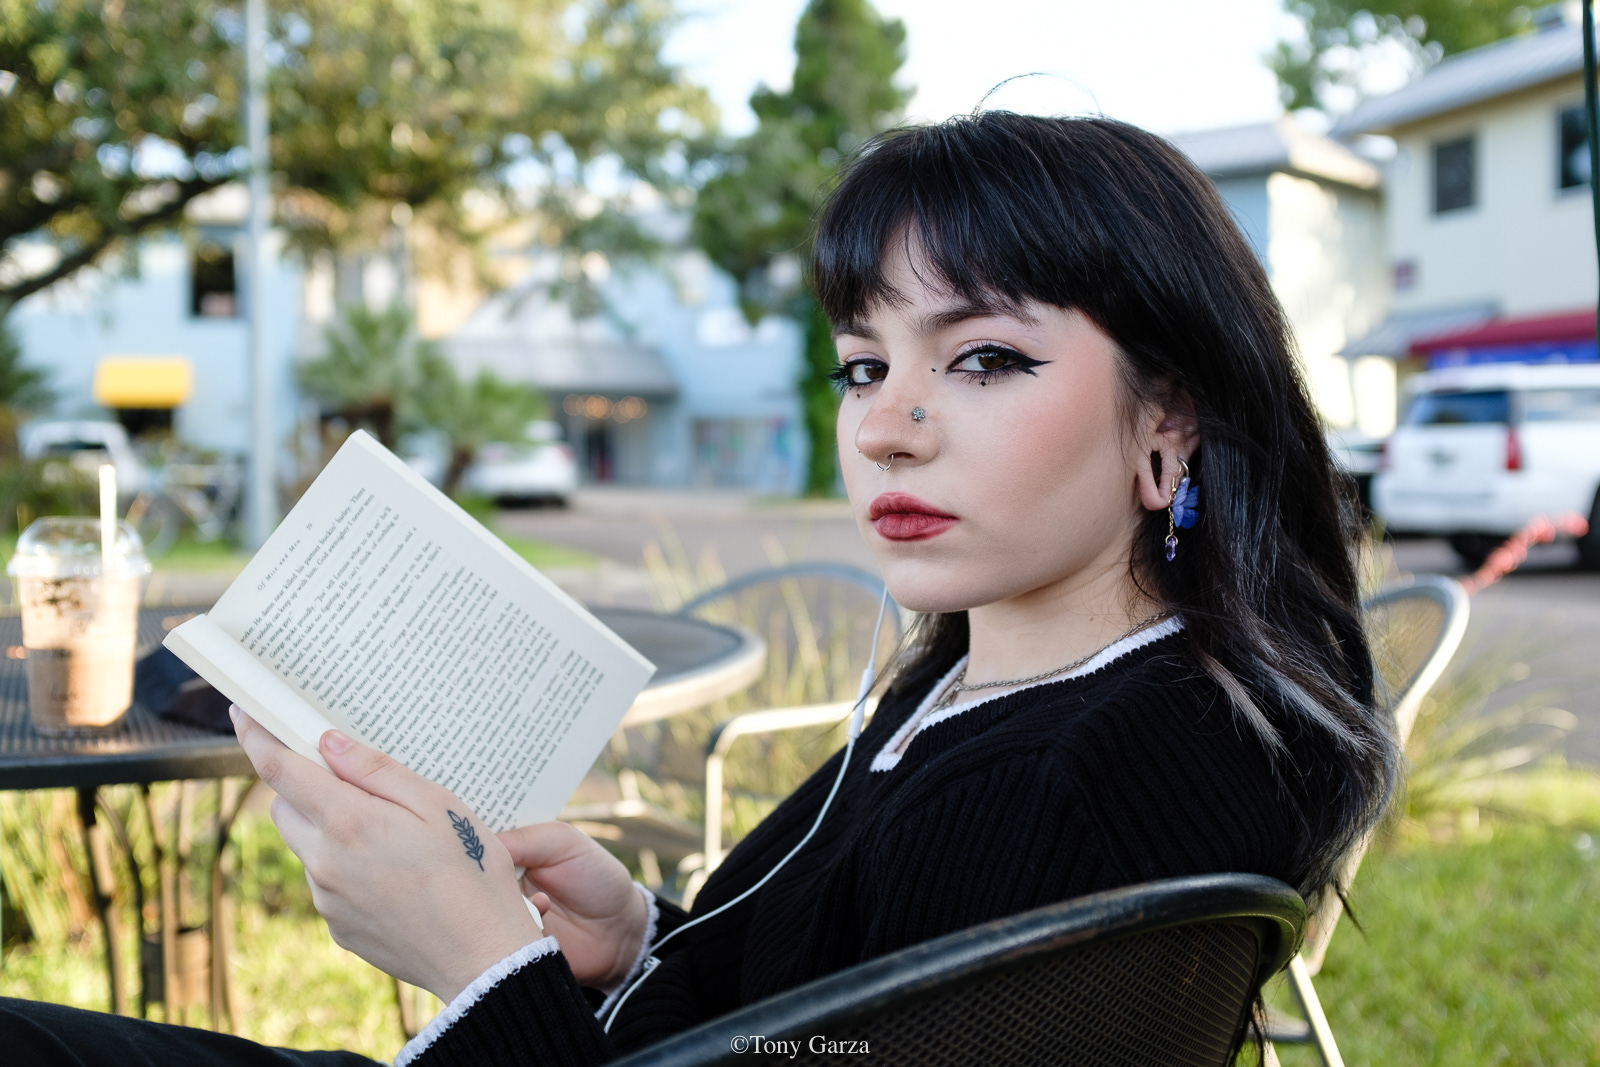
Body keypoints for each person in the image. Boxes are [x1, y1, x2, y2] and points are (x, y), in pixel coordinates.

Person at [0, 111, 1396, 1066]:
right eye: (865, 363)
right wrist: (637, 950)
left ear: (1171, 419)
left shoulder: (1101, 773)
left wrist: (482, 973)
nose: (889, 424)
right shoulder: (991, 685)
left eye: (983, 359)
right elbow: (837, 1031)